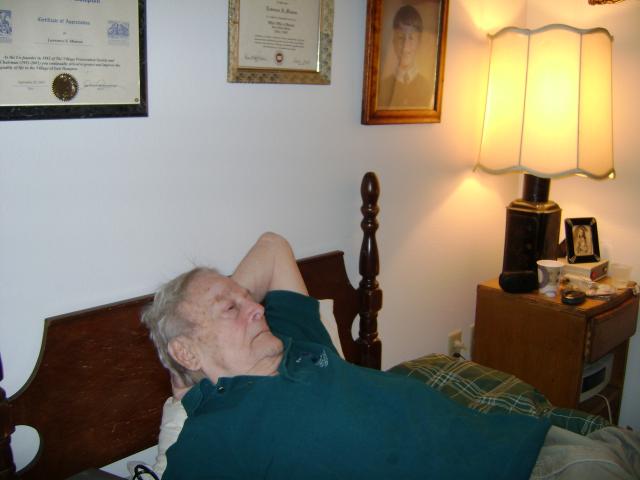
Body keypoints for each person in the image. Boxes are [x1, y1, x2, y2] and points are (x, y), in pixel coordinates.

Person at [142, 232, 550, 479]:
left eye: (249, 298)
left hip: (512, 439)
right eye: (231, 308)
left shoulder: (289, 340)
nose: (257, 308)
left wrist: (222, 310)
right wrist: (189, 374)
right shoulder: (213, 439)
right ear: (186, 350)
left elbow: (272, 247)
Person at [377, 5, 435, 109]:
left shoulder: (427, 88)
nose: (405, 46)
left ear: (419, 42)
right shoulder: (382, 87)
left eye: (411, 38)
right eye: (400, 37)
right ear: (394, 41)